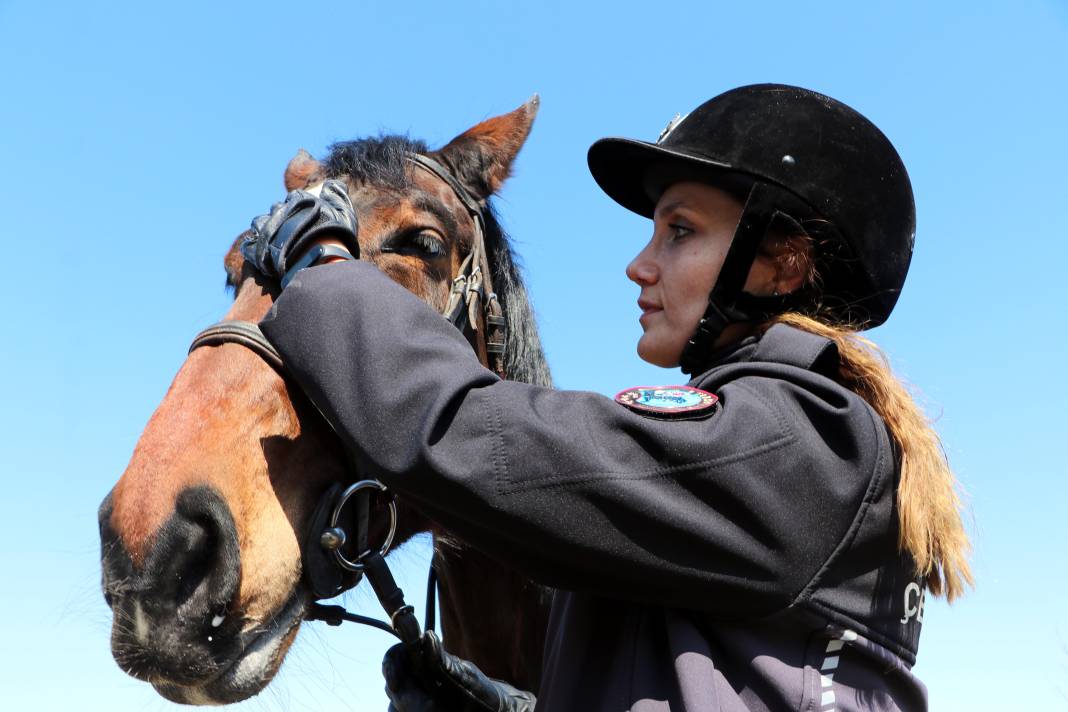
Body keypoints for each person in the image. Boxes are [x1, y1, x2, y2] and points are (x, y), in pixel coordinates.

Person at [247, 84, 972, 711]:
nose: (638, 264)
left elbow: (468, 435)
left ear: (782, 263)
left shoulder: (807, 440)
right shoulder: (757, 460)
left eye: (679, 231)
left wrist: (327, 274)